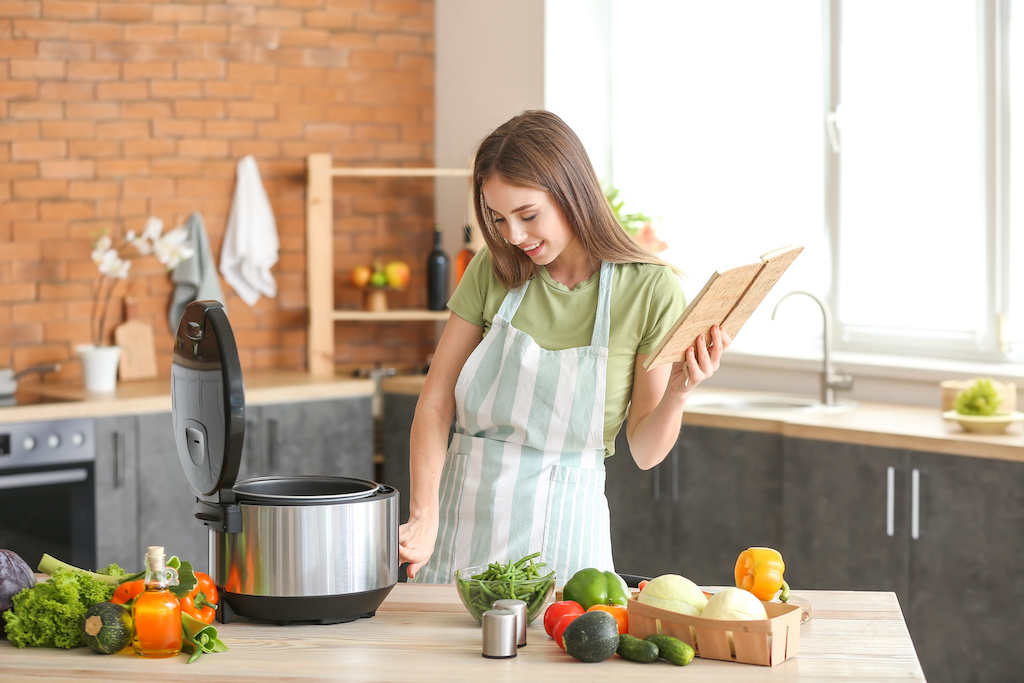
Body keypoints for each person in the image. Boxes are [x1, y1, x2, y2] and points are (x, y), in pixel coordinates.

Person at [399, 110, 730, 583]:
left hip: (568, 537)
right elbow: (434, 404)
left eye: (528, 215)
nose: (513, 235)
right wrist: (424, 514)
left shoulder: (650, 289)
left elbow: (645, 449)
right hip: (461, 521)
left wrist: (679, 393)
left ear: (571, 191)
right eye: (498, 218)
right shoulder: (493, 270)